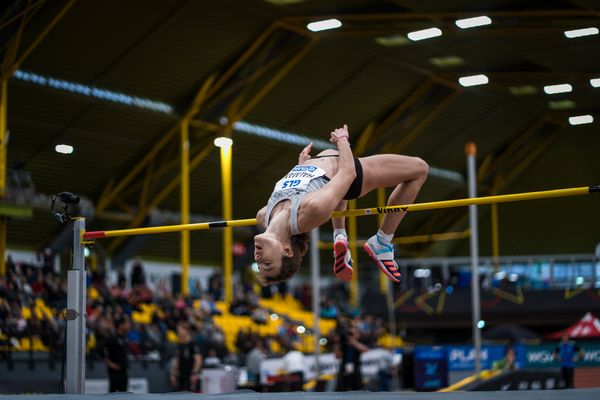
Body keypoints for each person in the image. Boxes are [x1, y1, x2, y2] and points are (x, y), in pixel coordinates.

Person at [254, 124, 428, 285]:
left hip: (325, 169)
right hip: (350, 171)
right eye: (267, 263)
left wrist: (300, 166)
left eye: (258, 263)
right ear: (286, 250)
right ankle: (382, 240)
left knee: (334, 192)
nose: (258, 257)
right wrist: (342, 141)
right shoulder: (312, 210)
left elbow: (299, 187)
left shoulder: (263, 215)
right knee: (420, 169)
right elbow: (347, 173)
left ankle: (340, 236)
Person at [170, 321, 203, 392]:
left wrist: (195, 373)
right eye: (178, 330)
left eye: (180, 330)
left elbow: (198, 360)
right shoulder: (179, 345)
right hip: (181, 376)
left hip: (190, 376)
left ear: (186, 331)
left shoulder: (193, 344)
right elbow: (176, 360)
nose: (179, 332)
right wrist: (173, 374)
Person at [103, 317, 130, 392]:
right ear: (121, 325)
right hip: (114, 371)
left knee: (124, 394)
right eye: (126, 323)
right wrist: (109, 363)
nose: (128, 325)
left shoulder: (125, 337)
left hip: (124, 370)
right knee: (113, 394)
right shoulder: (112, 338)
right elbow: (100, 350)